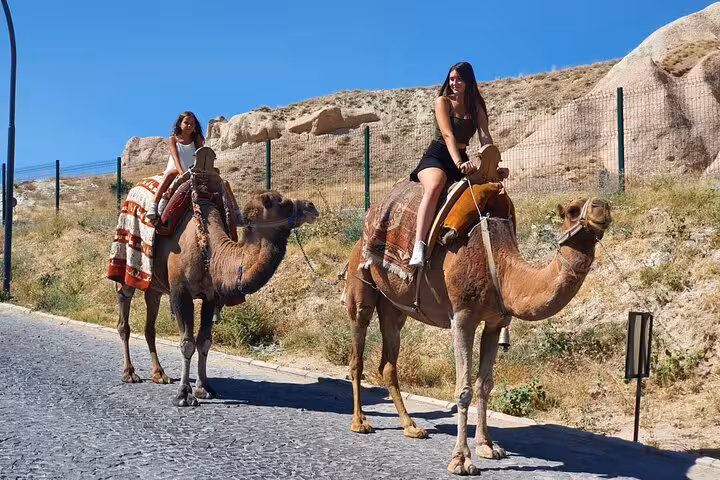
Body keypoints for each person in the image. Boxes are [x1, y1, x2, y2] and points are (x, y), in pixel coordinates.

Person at [408, 62, 494, 267]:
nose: (454, 82)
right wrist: (459, 163)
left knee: (485, 190)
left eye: (459, 79)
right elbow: (447, 135)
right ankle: (418, 246)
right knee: (436, 185)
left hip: (461, 157)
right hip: (438, 155)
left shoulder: (477, 108)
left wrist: (493, 163)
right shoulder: (443, 102)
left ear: (468, 81)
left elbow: (485, 137)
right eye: (452, 78)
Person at [146, 111, 205, 221]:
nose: (189, 126)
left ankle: (235, 211)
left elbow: (200, 155)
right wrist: (181, 173)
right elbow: (175, 157)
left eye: (192, 124)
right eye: (186, 123)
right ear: (179, 124)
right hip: (177, 170)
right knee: (170, 174)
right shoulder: (173, 139)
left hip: (192, 171)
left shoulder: (196, 139)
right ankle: (153, 205)